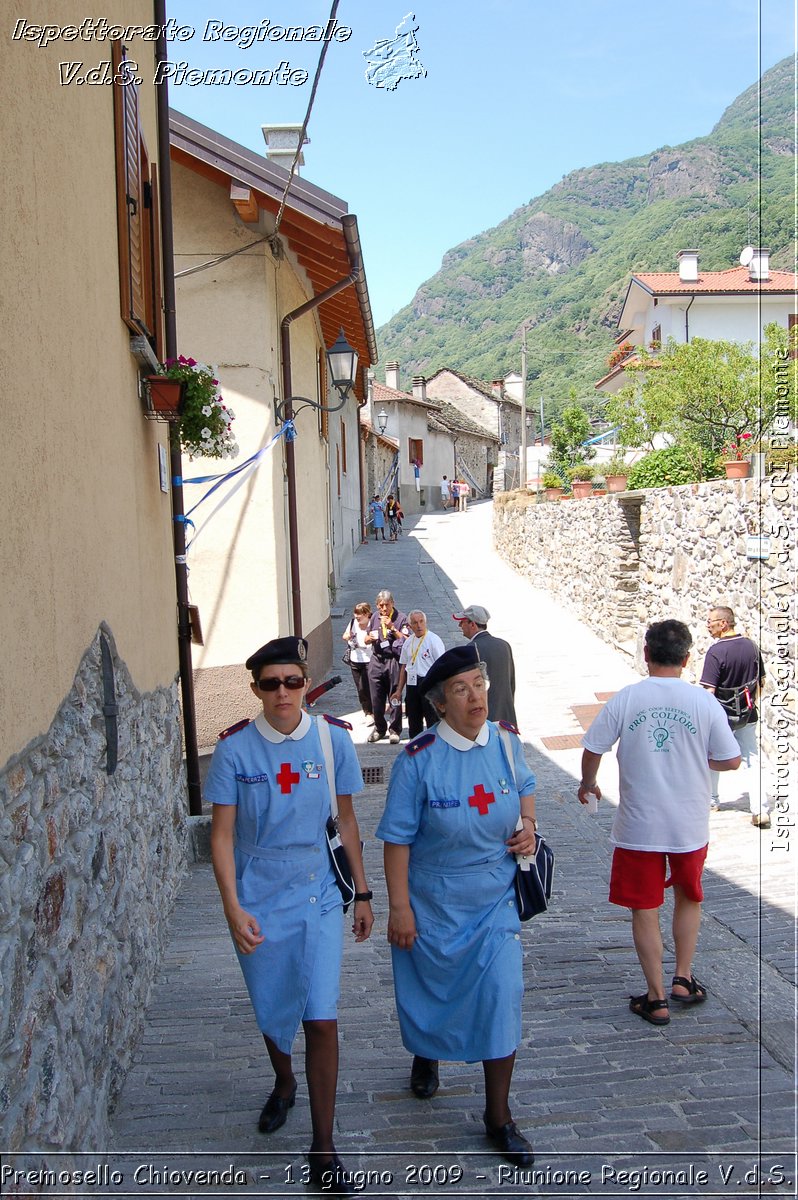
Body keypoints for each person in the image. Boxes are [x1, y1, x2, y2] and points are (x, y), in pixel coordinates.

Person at [207, 637, 374, 1194]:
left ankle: (323, 1147)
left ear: (305, 683)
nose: (283, 693)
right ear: (255, 688)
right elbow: (224, 836)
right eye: (271, 683)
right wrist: (232, 906)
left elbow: (346, 821)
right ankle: (284, 1082)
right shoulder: (234, 750)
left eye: (293, 681)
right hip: (257, 891)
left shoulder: (332, 741)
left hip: (318, 890)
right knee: (273, 998)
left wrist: (365, 893)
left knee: (321, 1014)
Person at [376, 644, 537, 1166]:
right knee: (434, 991)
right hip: (434, 899)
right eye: (461, 690)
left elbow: (526, 788)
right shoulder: (417, 761)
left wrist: (529, 827)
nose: (475, 697)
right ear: (440, 704)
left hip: (493, 898)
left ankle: (499, 1116)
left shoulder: (507, 744)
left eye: (479, 684)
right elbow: (397, 839)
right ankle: (428, 1052)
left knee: (502, 994)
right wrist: (399, 907)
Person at [578, 620, 741, 1026]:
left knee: (644, 908)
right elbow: (732, 759)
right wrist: (699, 762)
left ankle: (656, 997)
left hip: (639, 824)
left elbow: (593, 747)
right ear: (687, 659)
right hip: (688, 822)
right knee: (690, 896)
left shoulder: (627, 699)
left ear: (646, 654)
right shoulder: (704, 703)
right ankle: (683, 977)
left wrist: (589, 783)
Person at [700, 606, 770, 828]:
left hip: (722, 716)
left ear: (724, 624)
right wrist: (750, 705)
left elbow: (709, 691)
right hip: (748, 714)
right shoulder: (751, 646)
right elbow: (762, 681)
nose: (707, 625)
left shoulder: (716, 652)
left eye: (710, 621)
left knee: (711, 755)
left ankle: (712, 800)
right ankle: (760, 809)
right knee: (752, 759)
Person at [454, 605, 518, 725]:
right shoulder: (504, 645)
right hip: (506, 716)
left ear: (472, 624)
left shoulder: (472, 648)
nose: (460, 626)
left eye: (462, 622)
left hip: (485, 719)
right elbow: (511, 683)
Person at [391, 610, 446, 738]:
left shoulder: (433, 640)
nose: (419, 625)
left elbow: (442, 664)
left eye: (421, 621)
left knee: (432, 719)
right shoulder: (408, 642)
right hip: (412, 684)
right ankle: (415, 746)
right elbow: (404, 666)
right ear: (410, 626)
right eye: (415, 623)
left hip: (428, 683)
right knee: (413, 719)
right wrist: (399, 690)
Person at [365, 590, 410, 744]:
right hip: (376, 660)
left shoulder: (401, 618)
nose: (383, 609)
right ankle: (379, 728)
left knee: (394, 696)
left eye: (386, 605)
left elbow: (406, 640)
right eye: (380, 606)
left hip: (393, 661)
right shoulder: (374, 618)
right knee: (376, 698)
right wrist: (368, 638)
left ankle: (395, 729)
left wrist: (392, 627)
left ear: (393, 603)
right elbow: (366, 637)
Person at [342, 602, 373, 723]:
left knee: (365, 687)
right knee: (360, 688)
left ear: (366, 614)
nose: (357, 619)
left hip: (369, 660)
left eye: (359, 617)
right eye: (356, 616)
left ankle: (371, 712)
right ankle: (367, 711)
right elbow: (345, 634)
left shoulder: (372, 624)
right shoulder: (352, 623)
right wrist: (347, 636)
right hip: (355, 659)